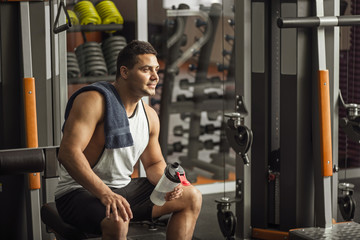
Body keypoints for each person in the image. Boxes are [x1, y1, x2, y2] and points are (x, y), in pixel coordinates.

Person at [55, 40, 202, 240]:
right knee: (117, 218)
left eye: (156, 70)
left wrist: (166, 186)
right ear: (124, 72)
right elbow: (68, 153)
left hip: (123, 189)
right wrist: (105, 193)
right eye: (146, 70)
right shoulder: (94, 101)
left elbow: (153, 163)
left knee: (191, 196)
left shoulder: (149, 116)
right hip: (79, 192)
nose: (155, 77)